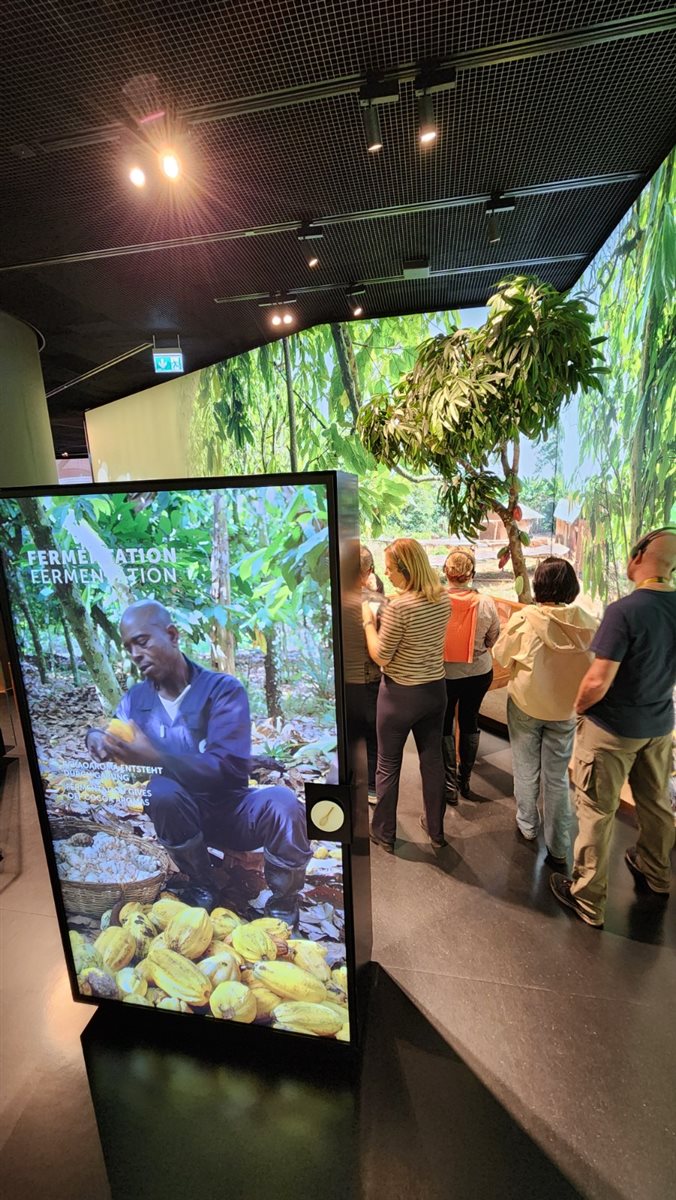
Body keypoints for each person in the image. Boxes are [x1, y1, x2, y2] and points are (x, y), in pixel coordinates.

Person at [86, 600, 311, 921]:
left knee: (283, 802)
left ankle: (283, 905)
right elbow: (111, 730)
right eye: (128, 646)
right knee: (160, 791)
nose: (135, 654)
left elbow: (228, 769)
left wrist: (158, 757)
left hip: (234, 810)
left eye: (142, 641)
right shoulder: (137, 699)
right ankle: (202, 884)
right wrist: (95, 738)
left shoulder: (222, 690)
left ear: (173, 635)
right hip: (182, 816)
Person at [550, 528, 676, 928]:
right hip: (659, 725)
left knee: (595, 812)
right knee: (655, 804)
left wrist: (578, 709)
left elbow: (597, 680)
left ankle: (587, 897)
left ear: (639, 556)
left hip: (612, 731)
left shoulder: (625, 611)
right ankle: (657, 875)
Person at [493, 557, 598, 868]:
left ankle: (528, 826)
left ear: (538, 586)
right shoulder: (589, 623)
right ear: (572, 587)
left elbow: (501, 654)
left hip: (526, 705)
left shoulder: (525, 619)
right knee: (556, 778)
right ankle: (558, 845)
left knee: (526, 770)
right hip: (565, 711)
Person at [362, 538, 450, 851]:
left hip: (399, 695)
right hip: (435, 691)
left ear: (406, 570)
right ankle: (437, 830)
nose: (386, 574)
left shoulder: (399, 607)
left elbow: (382, 655)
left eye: (390, 569)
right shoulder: (443, 598)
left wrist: (368, 621)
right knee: (432, 760)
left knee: (387, 765)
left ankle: (384, 833)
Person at [442, 549, 500, 803]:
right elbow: (492, 638)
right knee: (470, 720)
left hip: (444, 674)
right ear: (472, 574)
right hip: (478, 673)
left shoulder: (436, 600)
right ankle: (465, 780)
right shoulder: (486, 603)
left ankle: (448, 785)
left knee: (444, 724)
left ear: (446, 572)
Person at [359, 544, 387, 800]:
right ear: (368, 570)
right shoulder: (378, 602)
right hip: (369, 678)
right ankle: (370, 787)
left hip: (342, 679)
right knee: (372, 735)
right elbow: (384, 648)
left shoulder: (330, 598)